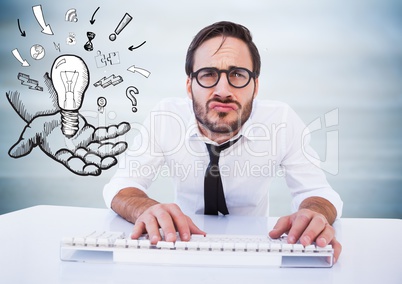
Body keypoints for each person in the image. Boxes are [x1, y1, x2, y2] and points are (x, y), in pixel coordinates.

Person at [103, 21, 343, 262]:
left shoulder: (281, 121)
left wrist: (312, 214)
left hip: (255, 256)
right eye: (208, 74)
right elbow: (122, 185)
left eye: (237, 74)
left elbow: (317, 192)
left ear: (255, 86)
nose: (223, 90)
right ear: (189, 86)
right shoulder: (166, 117)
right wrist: (144, 208)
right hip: (182, 248)